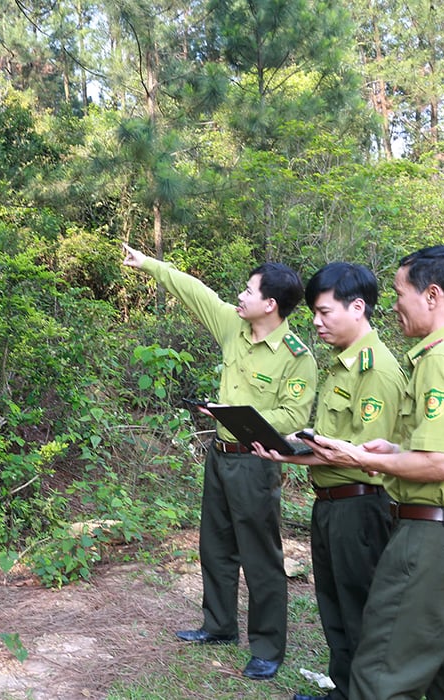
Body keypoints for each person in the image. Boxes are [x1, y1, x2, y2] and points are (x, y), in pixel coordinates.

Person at [282, 245, 444, 699]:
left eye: (401, 292)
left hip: (433, 542)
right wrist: (396, 449)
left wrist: (362, 459)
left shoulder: (441, 360)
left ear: (432, 295)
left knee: (379, 677)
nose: (395, 304)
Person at [122, 243, 316, 681]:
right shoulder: (233, 325)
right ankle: (219, 625)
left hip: (257, 461)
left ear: (271, 304)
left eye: (249, 291)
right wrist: (150, 264)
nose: (240, 297)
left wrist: (237, 417)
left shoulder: (298, 358)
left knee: (261, 557)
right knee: (215, 545)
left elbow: (292, 418)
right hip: (220, 456)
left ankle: (267, 647)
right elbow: (194, 291)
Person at [253, 262, 405, 700]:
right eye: (314, 315)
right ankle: (342, 691)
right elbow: (333, 443)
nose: (317, 323)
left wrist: (293, 454)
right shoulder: (343, 365)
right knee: (335, 607)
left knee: (360, 610)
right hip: (332, 503)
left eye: (325, 312)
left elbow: (360, 455)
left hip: (360, 506)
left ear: (357, 308)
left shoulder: (374, 371)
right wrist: (291, 449)